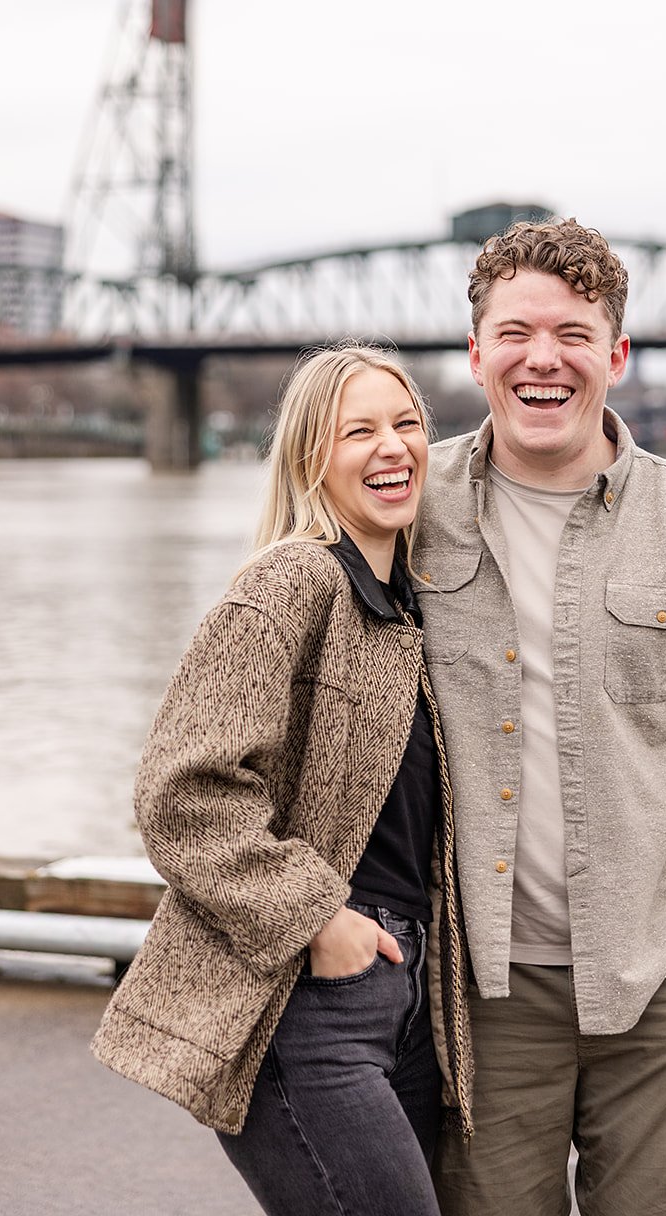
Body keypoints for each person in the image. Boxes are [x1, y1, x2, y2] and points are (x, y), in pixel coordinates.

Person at [412, 219, 666, 1216]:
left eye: (573, 334)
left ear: (615, 355)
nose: (542, 358)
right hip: (477, 992)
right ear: (474, 352)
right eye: (514, 332)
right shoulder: (407, 512)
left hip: (659, 979)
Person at [92, 344, 473, 1216]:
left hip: (408, 998)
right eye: (359, 432)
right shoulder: (291, 582)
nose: (393, 447)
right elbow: (181, 791)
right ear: (311, 459)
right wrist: (315, 918)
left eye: (408, 424)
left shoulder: (409, 603)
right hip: (305, 998)